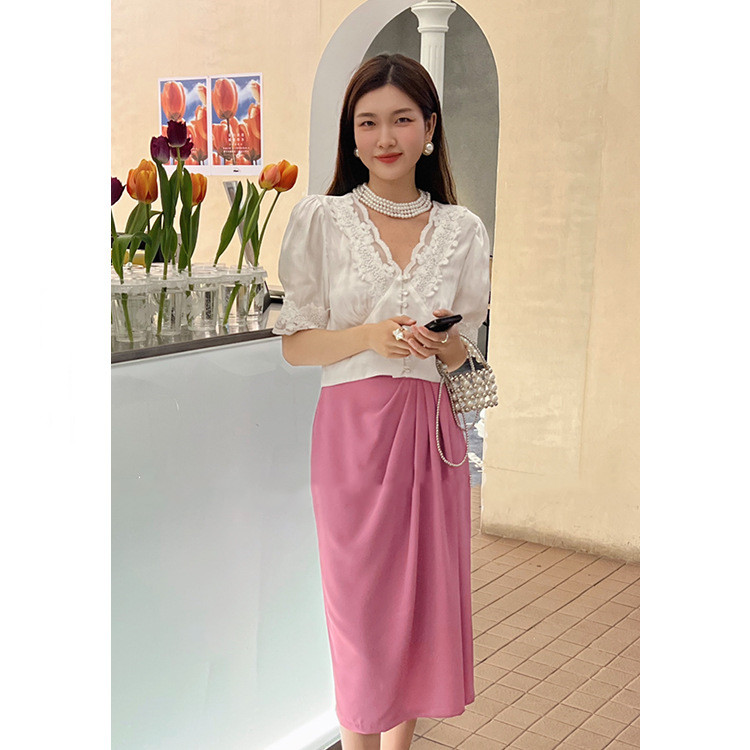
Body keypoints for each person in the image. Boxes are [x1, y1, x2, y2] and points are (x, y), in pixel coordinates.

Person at [271, 53, 491, 750]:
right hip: (351, 437)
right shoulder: (322, 220)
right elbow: (295, 346)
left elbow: (466, 355)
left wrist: (442, 345)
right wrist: (368, 336)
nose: (385, 137)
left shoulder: (462, 230)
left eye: (401, 119)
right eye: (367, 122)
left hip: (431, 437)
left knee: (418, 610)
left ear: (430, 128)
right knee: (360, 616)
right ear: (351, 132)